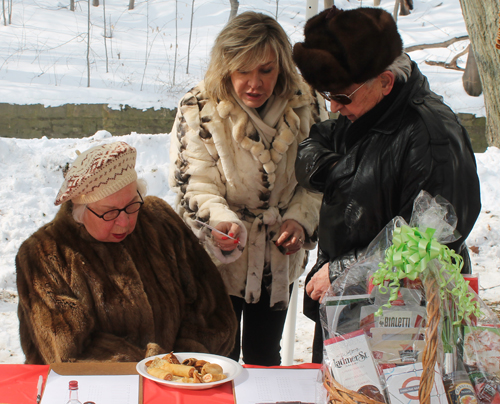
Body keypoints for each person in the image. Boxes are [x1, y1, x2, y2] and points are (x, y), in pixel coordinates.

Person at [292, 6, 481, 363]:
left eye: (342, 97)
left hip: (403, 319)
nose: (333, 107)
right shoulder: (366, 109)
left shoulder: (431, 136)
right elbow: (314, 143)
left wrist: (343, 270)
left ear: (385, 81)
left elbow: (431, 242)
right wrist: (337, 171)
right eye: (327, 95)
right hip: (347, 305)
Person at [169, 11, 328, 366]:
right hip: (219, 256)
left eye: (266, 70)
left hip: (278, 255)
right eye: (243, 70)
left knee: (263, 354)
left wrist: (300, 221)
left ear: (282, 67)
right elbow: (193, 180)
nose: (254, 83)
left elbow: (319, 180)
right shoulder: (198, 108)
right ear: (226, 67)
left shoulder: (307, 105)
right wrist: (220, 223)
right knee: (214, 355)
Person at [16, 141, 237, 364]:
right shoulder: (45, 255)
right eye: (109, 213)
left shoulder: (158, 221)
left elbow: (209, 305)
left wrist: (183, 360)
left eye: (132, 205)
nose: (124, 222)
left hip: (181, 381)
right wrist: (151, 367)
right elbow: (68, 352)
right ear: (80, 212)